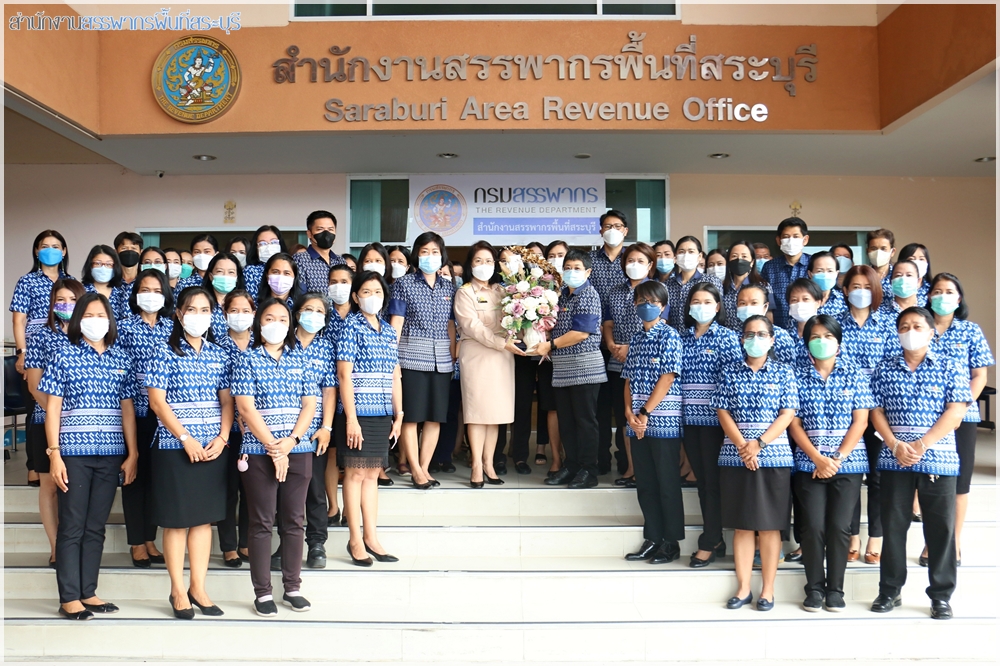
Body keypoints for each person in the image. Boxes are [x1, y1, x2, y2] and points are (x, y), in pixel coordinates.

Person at [38, 292, 138, 620]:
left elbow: (127, 410)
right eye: (90, 315)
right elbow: (52, 409)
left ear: (110, 320)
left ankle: (88, 592)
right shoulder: (63, 355)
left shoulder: (121, 357)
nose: (97, 321)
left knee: (96, 526)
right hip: (74, 455)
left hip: (110, 455)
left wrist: (132, 452)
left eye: (102, 315)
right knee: (72, 526)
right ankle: (69, 597)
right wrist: (54, 454)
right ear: (79, 319)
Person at [869, 307, 971, 620]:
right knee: (894, 528)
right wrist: (895, 444)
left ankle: (941, 596)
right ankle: (890, 590)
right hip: (894, 460)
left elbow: (956, 411)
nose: (910, 330)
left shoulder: (950, 366)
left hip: (937, 460)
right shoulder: (884, 367)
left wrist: (922, 445)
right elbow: (875, 410)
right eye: (904, 326)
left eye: (917, 325)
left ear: (931, 332)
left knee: (940, 531)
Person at [146, 286, 233, 619]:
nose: (199, 316)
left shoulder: (219, 354)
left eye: (205, 310)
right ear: (179, 314)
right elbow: (157, 401)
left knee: (203, 521)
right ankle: (178, 590)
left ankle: (199, 586)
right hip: (174, 447)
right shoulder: (163, 351)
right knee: (177, 522)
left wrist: (223, 437)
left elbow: (227, 400)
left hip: (213, 447)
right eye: (191, 310)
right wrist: (184, 437)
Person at [231, 298, 318, 617]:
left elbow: (310, 404)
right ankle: (263, 593)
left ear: (291, 323)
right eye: (269, 317)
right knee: (261, 522)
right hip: (258, 452)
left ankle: (292, 587)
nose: (276, 323)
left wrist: (291, 442)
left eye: (282, 318)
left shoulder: (303, 359)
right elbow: (246, 408)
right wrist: (273, 447)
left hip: (298, 449)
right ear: (259, 322)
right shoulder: (247, 359)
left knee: (295, 521)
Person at [788, 314, 874, 612]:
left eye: (828, 336)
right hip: (807, 463)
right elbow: (793, 422)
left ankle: (835, 589)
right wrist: (816, 457)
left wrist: (835, 458)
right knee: (811, 526)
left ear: (838, 341)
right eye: (815, 336)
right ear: (806, 341)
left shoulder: (855, 374)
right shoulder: (794, 374)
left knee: (839, 527)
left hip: (846, 465)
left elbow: (861, 421)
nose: (821, 341)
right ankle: (813, 588)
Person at [712, 314, 798, 611]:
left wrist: (758, 444)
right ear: (741, 339)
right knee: (742, 526)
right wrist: (743, 446)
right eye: (749, 334)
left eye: (762, 334)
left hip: (773, 457)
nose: (755, 339)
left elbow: (787, 414)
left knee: (771, 527)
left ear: (772, 339)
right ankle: (744, 587)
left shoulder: (785, 373)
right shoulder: (728, 371)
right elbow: (722, 411)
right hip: (735, 457)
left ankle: (769, 590)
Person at [923, 273, 994, 567]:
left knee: (959, 483)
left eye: (949, 291)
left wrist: (960, 408)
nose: (942, 296)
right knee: (929, 481)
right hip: (924, 416)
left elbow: (980, 375)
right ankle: (931, 542)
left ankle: (954, 541)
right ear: (927, 297)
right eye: (936, 291)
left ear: (959, 298)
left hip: (962, 417)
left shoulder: (970, 331)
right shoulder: (917, 328)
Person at [338, 270, 403, 566]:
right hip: (358, 412)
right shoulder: (350, 326)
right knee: (355, 474)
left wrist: (399, 414)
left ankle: (372, 537)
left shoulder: (389, 331)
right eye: (365, 292)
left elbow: (394, 375)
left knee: (372, 476)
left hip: (381, 413)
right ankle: (354, 539)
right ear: (355, 296)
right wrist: (351, 418)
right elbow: (344, 374)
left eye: (377, 292)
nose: (371, 297)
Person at [24, 278, 86, 568]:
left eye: (72, 300)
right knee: (49, 484)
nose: (66, 305)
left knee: (75, 486)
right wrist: (56, 415)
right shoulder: (40, 336)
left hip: (84, 427)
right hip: (44, 419)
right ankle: (55, 547)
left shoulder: (90, 336)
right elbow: (35, 386)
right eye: (60, 300)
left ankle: (75, 543)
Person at [622, 281, 685, 565]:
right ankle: (653, 537)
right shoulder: (636, 338)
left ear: (662, 305)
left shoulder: (670, 336)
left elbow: (668, 377)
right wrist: (628, 411)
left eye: (652, 300)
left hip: (662, 421)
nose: (646, 305)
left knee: (666, 482)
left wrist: (645, 412)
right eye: (641, 300)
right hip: (637, 422)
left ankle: (671, 542)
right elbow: (628, 378)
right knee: (645, 482)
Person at [388, 231, 456, 489]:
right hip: (411, 358)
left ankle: (425, 468)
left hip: (441, 360)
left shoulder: (450, 286)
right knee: (412, 417)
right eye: (425, 252)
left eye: (435, 252)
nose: (430, 257)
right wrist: (392, 359)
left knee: (435, 417)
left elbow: (451, 325)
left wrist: (453, 354)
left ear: (442, 255)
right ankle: (414, 469)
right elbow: (396, 324)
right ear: (416, 254)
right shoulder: (404, 284)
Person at [679, 282, 741, 567]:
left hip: (718, 423)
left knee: (714, 482)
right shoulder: (682, 338)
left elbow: (732, 383)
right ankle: (715, 537)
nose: (701, 306)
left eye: (707, 301)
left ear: (717, 307)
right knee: (703, 482)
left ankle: (710, 538)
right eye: (696, 301)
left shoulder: (728, 339)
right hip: (689, 421)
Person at [117, 269, 175, 568]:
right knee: (135, 477)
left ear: (165, 294)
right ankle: (137, 542)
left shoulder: (172, 328)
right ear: (136, 293)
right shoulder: (124, 329)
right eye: (145, 289)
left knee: (156, 480)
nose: (150, 295)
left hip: (165, 416)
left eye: (156, 290)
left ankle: (150, 538)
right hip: (134, 413)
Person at [836, 265, 894, 564]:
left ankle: (876, 536)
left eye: (866, 286)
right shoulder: (836, 325)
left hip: (879, 412)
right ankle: (852, 536)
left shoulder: (888, 325)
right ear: (844, 290)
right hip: (847, 412)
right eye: (854, 286)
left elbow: (894, 368)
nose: (860, 291)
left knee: (878, 477)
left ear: (876, 290)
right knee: (851, 474)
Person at [536, 250, 607, 488]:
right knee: (567, 421)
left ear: (588, 272)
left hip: (585, 367)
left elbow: (581, 333)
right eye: (568, 267)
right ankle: (572, 465)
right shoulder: (562, 296)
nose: (571, 271)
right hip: (563, 369)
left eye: (577, 268)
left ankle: (589, 470)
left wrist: (550, 344)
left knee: (585, 422)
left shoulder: (589, 294)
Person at [453, 241, 522, 487]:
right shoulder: (464, 292)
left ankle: (489, 463)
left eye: (489, 261)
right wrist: (501, 343)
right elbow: (472, 327)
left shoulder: (502, 291)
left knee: (495, 414)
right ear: (471, 264)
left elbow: (514, 319)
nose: (484, 266)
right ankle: (476, 466)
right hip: (477, 355)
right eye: (479, 261)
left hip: (502, 356)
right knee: (477, 413)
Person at [11, 231, 74, 486]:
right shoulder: (27, 281)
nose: (50, 250)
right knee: (36, 406)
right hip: (36, 351)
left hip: (66, 346)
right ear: (36, 251)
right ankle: (35, 465)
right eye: (45, 246)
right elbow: (19, 319)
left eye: (56, 246)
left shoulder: (71, 281)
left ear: (64, 251)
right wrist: (22, 352)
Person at [285, 293, 338, 570]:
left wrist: (327, 427)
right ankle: (286, 544)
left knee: (315, 489)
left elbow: (329, 390)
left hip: (313, 431)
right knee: (286, 491)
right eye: (308, 309)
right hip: (281, 429)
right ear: (297, 313)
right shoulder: (280, 341)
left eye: (319, 311)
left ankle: (316, 543)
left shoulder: (326, 347)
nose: (313, 315)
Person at [602, 243, 660, 486]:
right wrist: (612, 345)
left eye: (640, 261)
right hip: (617, 362)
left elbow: (658, 326)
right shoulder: (614, 291)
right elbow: (607, 323)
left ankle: (646, 470)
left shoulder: (658, 291)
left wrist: (630, 348)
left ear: (650, 265)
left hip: (648, 364)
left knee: (644, 416)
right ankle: (629, 468)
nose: (633, 265)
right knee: (624, 415)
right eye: (629, 261)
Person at [588, 211, 631, 476]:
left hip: (623, 346)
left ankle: (626, 460)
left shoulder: (633, 259)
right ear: (600, 230)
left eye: (617, 226)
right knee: (598, 407)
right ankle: (600, 458)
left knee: (622, 403)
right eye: (607, 226)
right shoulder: (590, 259)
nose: (612, 230)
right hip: (594, 344)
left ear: (625, 231)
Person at [216, 289, 255, 567]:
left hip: (256, 430)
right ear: (224, 313)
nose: (240, 316)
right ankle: (229, 546)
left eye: (245, 310)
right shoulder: (215, 347)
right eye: (234, 310)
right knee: (228, 488)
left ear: (254, 314)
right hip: (226, 429)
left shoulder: (263, 345)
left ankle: (246, 543)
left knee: (252, 490)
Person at [760, 218, 811, 328]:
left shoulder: (814, 264)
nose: (791, 241)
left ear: (805, 240)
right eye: (786, 237)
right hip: (779, 330)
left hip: (810, 329)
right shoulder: (769, 267)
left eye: (796, 236)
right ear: (778, 240)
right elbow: (765, 300)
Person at [665, 236, 721, 330]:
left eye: (691, 251)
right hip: (674, 339)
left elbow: (718, 312)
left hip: (702, 338)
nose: (686, 255)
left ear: (699, 256)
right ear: (675, 257)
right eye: (681, 252)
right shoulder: (667, 285)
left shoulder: (711, 281)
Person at [734, 284, 795, 363]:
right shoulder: (732, 337)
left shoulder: (781, 336)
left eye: (754, 303)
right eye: (742, 303)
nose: (747, 307)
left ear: (765, 307)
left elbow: (789, 369)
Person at [721, 240, 772, 331]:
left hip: (754, 337)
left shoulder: (764, 286)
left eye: (744, 256)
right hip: (728, 339)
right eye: (734, 256)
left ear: (752, 262)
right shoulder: (721, 287)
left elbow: (769, 315)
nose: (739, 260)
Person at [294, 210, 345, 292]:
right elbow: (299, 295)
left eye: (330, 229)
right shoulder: (300, 260)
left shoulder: (340, 261)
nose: (326, 233)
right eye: (320, 229)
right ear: (309, 234)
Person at [201, 252, 246, 340]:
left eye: (231, 272)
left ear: (237, 277)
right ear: (211, 276)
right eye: (220, 271)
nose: (225, 276)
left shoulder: (245, 304)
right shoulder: (201, 303)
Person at [81, 245, 129, 321]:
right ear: (90, 265)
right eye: (98, 263)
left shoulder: (124, 291)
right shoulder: (81, 291)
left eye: (109, 264)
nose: (103, 268)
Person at [245, 225, 288, 301]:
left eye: (273, 242)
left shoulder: (290, 268)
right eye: (262, 243)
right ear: (256, 247)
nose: (269, 247)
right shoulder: (250, 271)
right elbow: (251, 302)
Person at [786, 278, 823, 364]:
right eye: (794, 300)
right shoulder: (784, 334)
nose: (799, 304)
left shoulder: (827, 333)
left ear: (818, 303)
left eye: (805, 299)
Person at [807, 251, 847, 315]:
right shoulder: (803, 298)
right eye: (819, 271)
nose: (825, 275)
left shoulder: (844, 299)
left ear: (836, 273)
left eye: (830, 271)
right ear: (810, 274)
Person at [865, 228, 897, 302]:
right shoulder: (863, 275)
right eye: (874, 248)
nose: (878, 252)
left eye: (883, 249)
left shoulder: (898, 275)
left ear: (892, 252)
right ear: (867, 251)